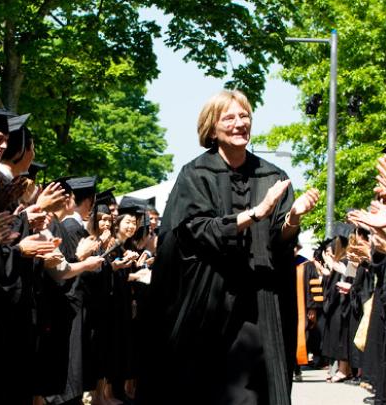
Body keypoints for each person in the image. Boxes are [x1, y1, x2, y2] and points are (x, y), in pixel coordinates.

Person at [138, 89, 319, 405]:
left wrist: (292, 219)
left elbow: (280, 240)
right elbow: (193, 230)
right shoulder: (195, 174)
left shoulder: (273, 175)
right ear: (212, 128)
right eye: (230, 117)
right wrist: (253, 214)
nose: (240, 123)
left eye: (245, 116)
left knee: (252, 390)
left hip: (258, 303)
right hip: (207, 302)